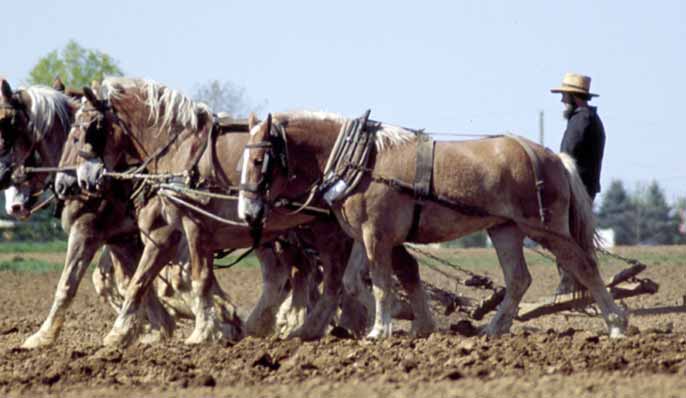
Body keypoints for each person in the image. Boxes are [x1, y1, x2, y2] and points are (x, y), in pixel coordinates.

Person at [550, 72, 606, 294]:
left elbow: (567, 154)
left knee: (566, 237)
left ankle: (569, 286)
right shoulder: (589, 118)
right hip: (582, 188)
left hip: (577, 189)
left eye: (565, 96)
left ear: (576, 97)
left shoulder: (581, 120)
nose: (563, 101)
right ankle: (574, 284)